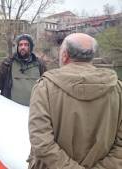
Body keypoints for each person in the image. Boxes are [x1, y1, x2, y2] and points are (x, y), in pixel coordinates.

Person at [28, 33, 122, 169]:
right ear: (92, 56)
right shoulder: (118, 89)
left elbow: (41, 141)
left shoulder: (44, 87)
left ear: (65, 55)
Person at [0, 34, 46, 106]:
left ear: (30, 47)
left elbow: (46, 87)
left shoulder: (40, 65)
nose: (23, 47)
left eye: (26, 45)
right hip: (12, 110)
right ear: (17, 47)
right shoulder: (8, 63)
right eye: (20, 45)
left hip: (33, 111)